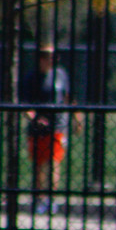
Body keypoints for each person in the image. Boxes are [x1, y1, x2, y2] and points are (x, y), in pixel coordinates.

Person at [21, 42, 81, 214]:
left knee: (54, 163)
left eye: (54, 56)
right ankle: (39, 198)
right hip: (37, 129)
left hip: (58, 126)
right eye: (48, 56)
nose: (53, 59)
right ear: (40, 58)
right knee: (39, 165)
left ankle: (51, 198)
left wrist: (77, 119)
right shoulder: (31, 78)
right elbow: (25, 105)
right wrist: (35, 118)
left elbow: (69, 98)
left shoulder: (61, 75)